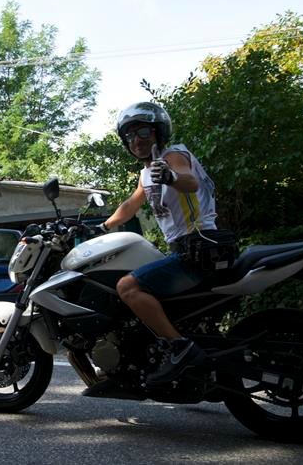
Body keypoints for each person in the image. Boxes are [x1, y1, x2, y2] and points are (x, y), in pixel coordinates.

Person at [84, 101, 218, 394]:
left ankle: (180, 348)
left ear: (158, 132)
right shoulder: (147, 173)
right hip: (184, 249)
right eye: (130, 135)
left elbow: (190, 181)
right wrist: (101, 227)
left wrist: (171, 176)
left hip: (198, 244)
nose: (137, 140)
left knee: (127, 287)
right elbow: (131, 205)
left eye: (143, 131)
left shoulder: (172, 156)